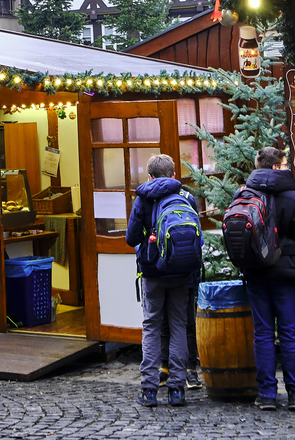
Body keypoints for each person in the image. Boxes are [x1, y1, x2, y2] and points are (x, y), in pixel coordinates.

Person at [234, 146, 295, 412]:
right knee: (291, 334)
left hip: (256, 272)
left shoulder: (243, 194)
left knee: (263, 334)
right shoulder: (292, 196)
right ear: (275, 167)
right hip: (288, 272)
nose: (286, 168)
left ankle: (267, 395)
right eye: (283, 164)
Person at [125, 153, 203, 407]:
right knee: (179, 325)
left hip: (153, 272)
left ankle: (149, 390)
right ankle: (177, 390)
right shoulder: (187, 197)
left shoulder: (144, 198)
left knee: (151, 327)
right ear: (173, 174)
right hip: (181, 273)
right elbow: (197, 238)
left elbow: (131, 237)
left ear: (149, 176)